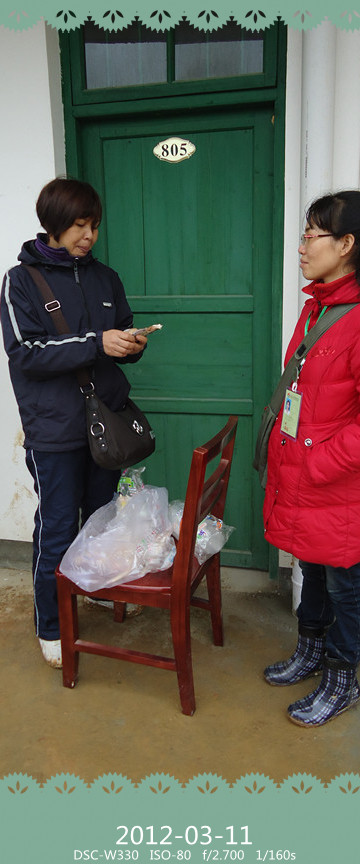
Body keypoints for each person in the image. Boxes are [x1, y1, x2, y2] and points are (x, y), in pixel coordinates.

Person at [0, 177, 147, 669]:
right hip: (55, 430)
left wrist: (131, 344)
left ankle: (95, 588)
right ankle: (50, 624)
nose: (89, 236)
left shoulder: (106, 277)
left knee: (102, 519)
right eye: (80, 225)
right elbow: (25, 353)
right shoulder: (21, 280)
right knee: (58, 526)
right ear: (54, 223)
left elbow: (118, 332)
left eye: (94, 226)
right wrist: (96, 342)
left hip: (106, 423)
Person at [262, 190, 360, 726]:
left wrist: (318, 465)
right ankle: (310, 648)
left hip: (338, 482)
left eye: (311, 235)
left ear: (346, 244)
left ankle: (343, 675)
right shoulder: (318, 306)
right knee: (311, 561)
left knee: (347, 581)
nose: (302, 246)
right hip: (306, 472)